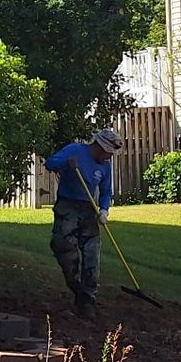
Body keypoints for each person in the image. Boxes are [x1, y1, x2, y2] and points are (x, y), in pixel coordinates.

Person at [45, 127, 122, 316]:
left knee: (92, 253)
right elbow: (50, 163)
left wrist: (104, 210)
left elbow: (105, 191)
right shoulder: (75, 150)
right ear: (98, 146)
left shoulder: (105, 166)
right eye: (108, 153)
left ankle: (87, 299)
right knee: (64, 246)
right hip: (67, 206)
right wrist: (66, 164)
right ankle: (76, 286)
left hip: (89, 208)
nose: (110, 158)